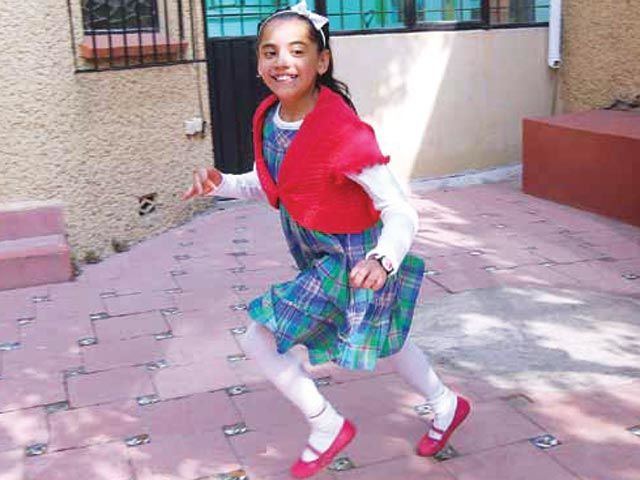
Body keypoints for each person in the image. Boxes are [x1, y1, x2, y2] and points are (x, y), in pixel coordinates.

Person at [183, 2, 469, 477]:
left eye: (297, 51)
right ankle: (446, 405)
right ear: (258, 63)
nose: (282, 62)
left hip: (356, 260)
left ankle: (326, 425)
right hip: (322, 258)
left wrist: (383, 259)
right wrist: (224, 184)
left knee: (259, 337)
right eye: (270, 52)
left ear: (322, 62)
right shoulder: (269, 117)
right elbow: (273, 182)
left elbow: (400, 210)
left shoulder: (343, 133)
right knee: (389, 340)